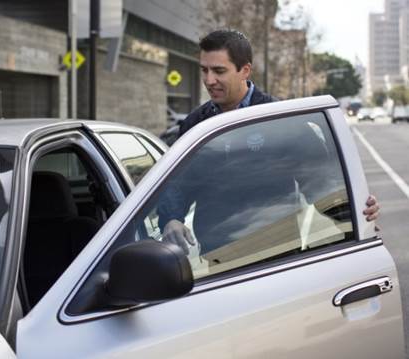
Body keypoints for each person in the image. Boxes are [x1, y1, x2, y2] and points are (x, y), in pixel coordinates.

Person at [160, 29, 379, 251]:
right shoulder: (196, 124)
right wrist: (171, 218)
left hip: (276, 255)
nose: (209, 80)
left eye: (218, 71)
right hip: (217, 258)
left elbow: (322, 182)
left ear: (245, 70)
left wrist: (357, 215)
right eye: (204, 70)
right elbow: (177, 184)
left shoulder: (280, 120)